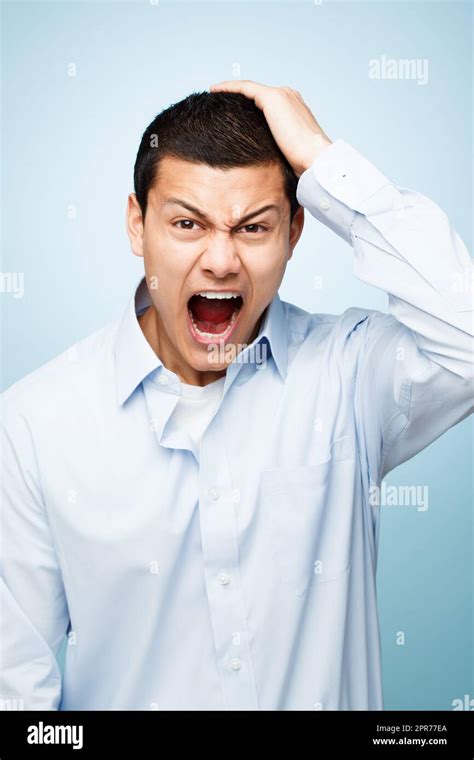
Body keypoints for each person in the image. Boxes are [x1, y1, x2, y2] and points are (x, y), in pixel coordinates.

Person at [1, 81, 472, 711]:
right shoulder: (35, 423)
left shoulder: (350, 373)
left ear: (295, 231)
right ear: (138, 225)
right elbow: (16, 690)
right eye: (187, 223)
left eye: (253, 227)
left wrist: (320, 157)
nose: (221, 261)